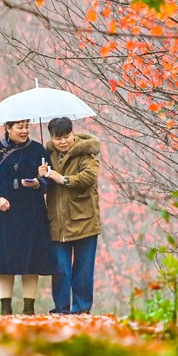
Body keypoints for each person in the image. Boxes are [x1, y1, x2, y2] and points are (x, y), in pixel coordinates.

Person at [0, 119, 55, 315]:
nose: (24, 131)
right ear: (8, 128)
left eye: (26, 127)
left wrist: (40, 180)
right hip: (6, 211)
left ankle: (28, 309)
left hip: (32, 211)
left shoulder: (38, 149)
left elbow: (50, 182)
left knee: (32, 261)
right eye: (19, 127)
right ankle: (5, 308)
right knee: (4, 260)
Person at [38, 117, 101, 314]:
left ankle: (81, 308)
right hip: (57, 221)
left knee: (83, 269)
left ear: (73, 134)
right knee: (60, 269)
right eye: (58, 138)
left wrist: (62, 178)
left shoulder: (86, 154)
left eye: (67, 136)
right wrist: (41, 175)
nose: (63, 141)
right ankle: (61, 308)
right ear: (52, 138)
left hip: (85, 220)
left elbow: (89, 177)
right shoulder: (47, 155)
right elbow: (44, 186)